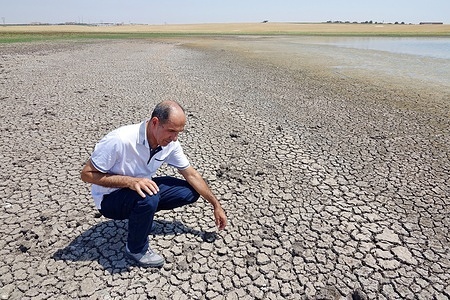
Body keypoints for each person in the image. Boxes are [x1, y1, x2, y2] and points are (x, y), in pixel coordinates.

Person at [81, 100, 227, 267]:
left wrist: (216, 204)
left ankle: (141, 218)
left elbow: (191, 174)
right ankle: (136, 249)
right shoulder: (120, 139)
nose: (174, 138)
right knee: (149, 196)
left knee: (190, 192)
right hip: (109, 199)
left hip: (140, 187)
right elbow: (86, 174)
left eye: (179, 132)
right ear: (155, 122)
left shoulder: (170, 144)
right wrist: (129, 181)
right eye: (171, 131)